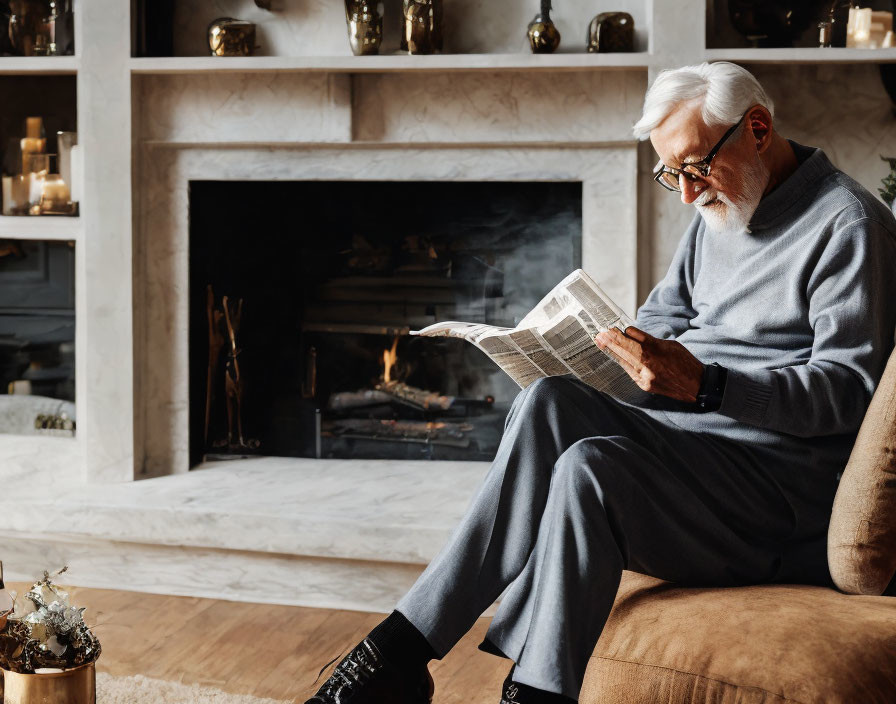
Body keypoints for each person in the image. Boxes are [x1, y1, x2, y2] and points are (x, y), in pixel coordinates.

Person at [304, 61, 896, 704]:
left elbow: (848, 393)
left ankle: (411, 662)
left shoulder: (850, 227)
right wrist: (610, 351)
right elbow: (664, 320)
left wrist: (704, 384)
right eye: (672, 175)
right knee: (551, 404)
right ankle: (428, 661)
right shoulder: (722, 208)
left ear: (757, 128)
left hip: (772, 492)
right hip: (693, 449)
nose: (690, 195)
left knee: (592, 466)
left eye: (696, 167)